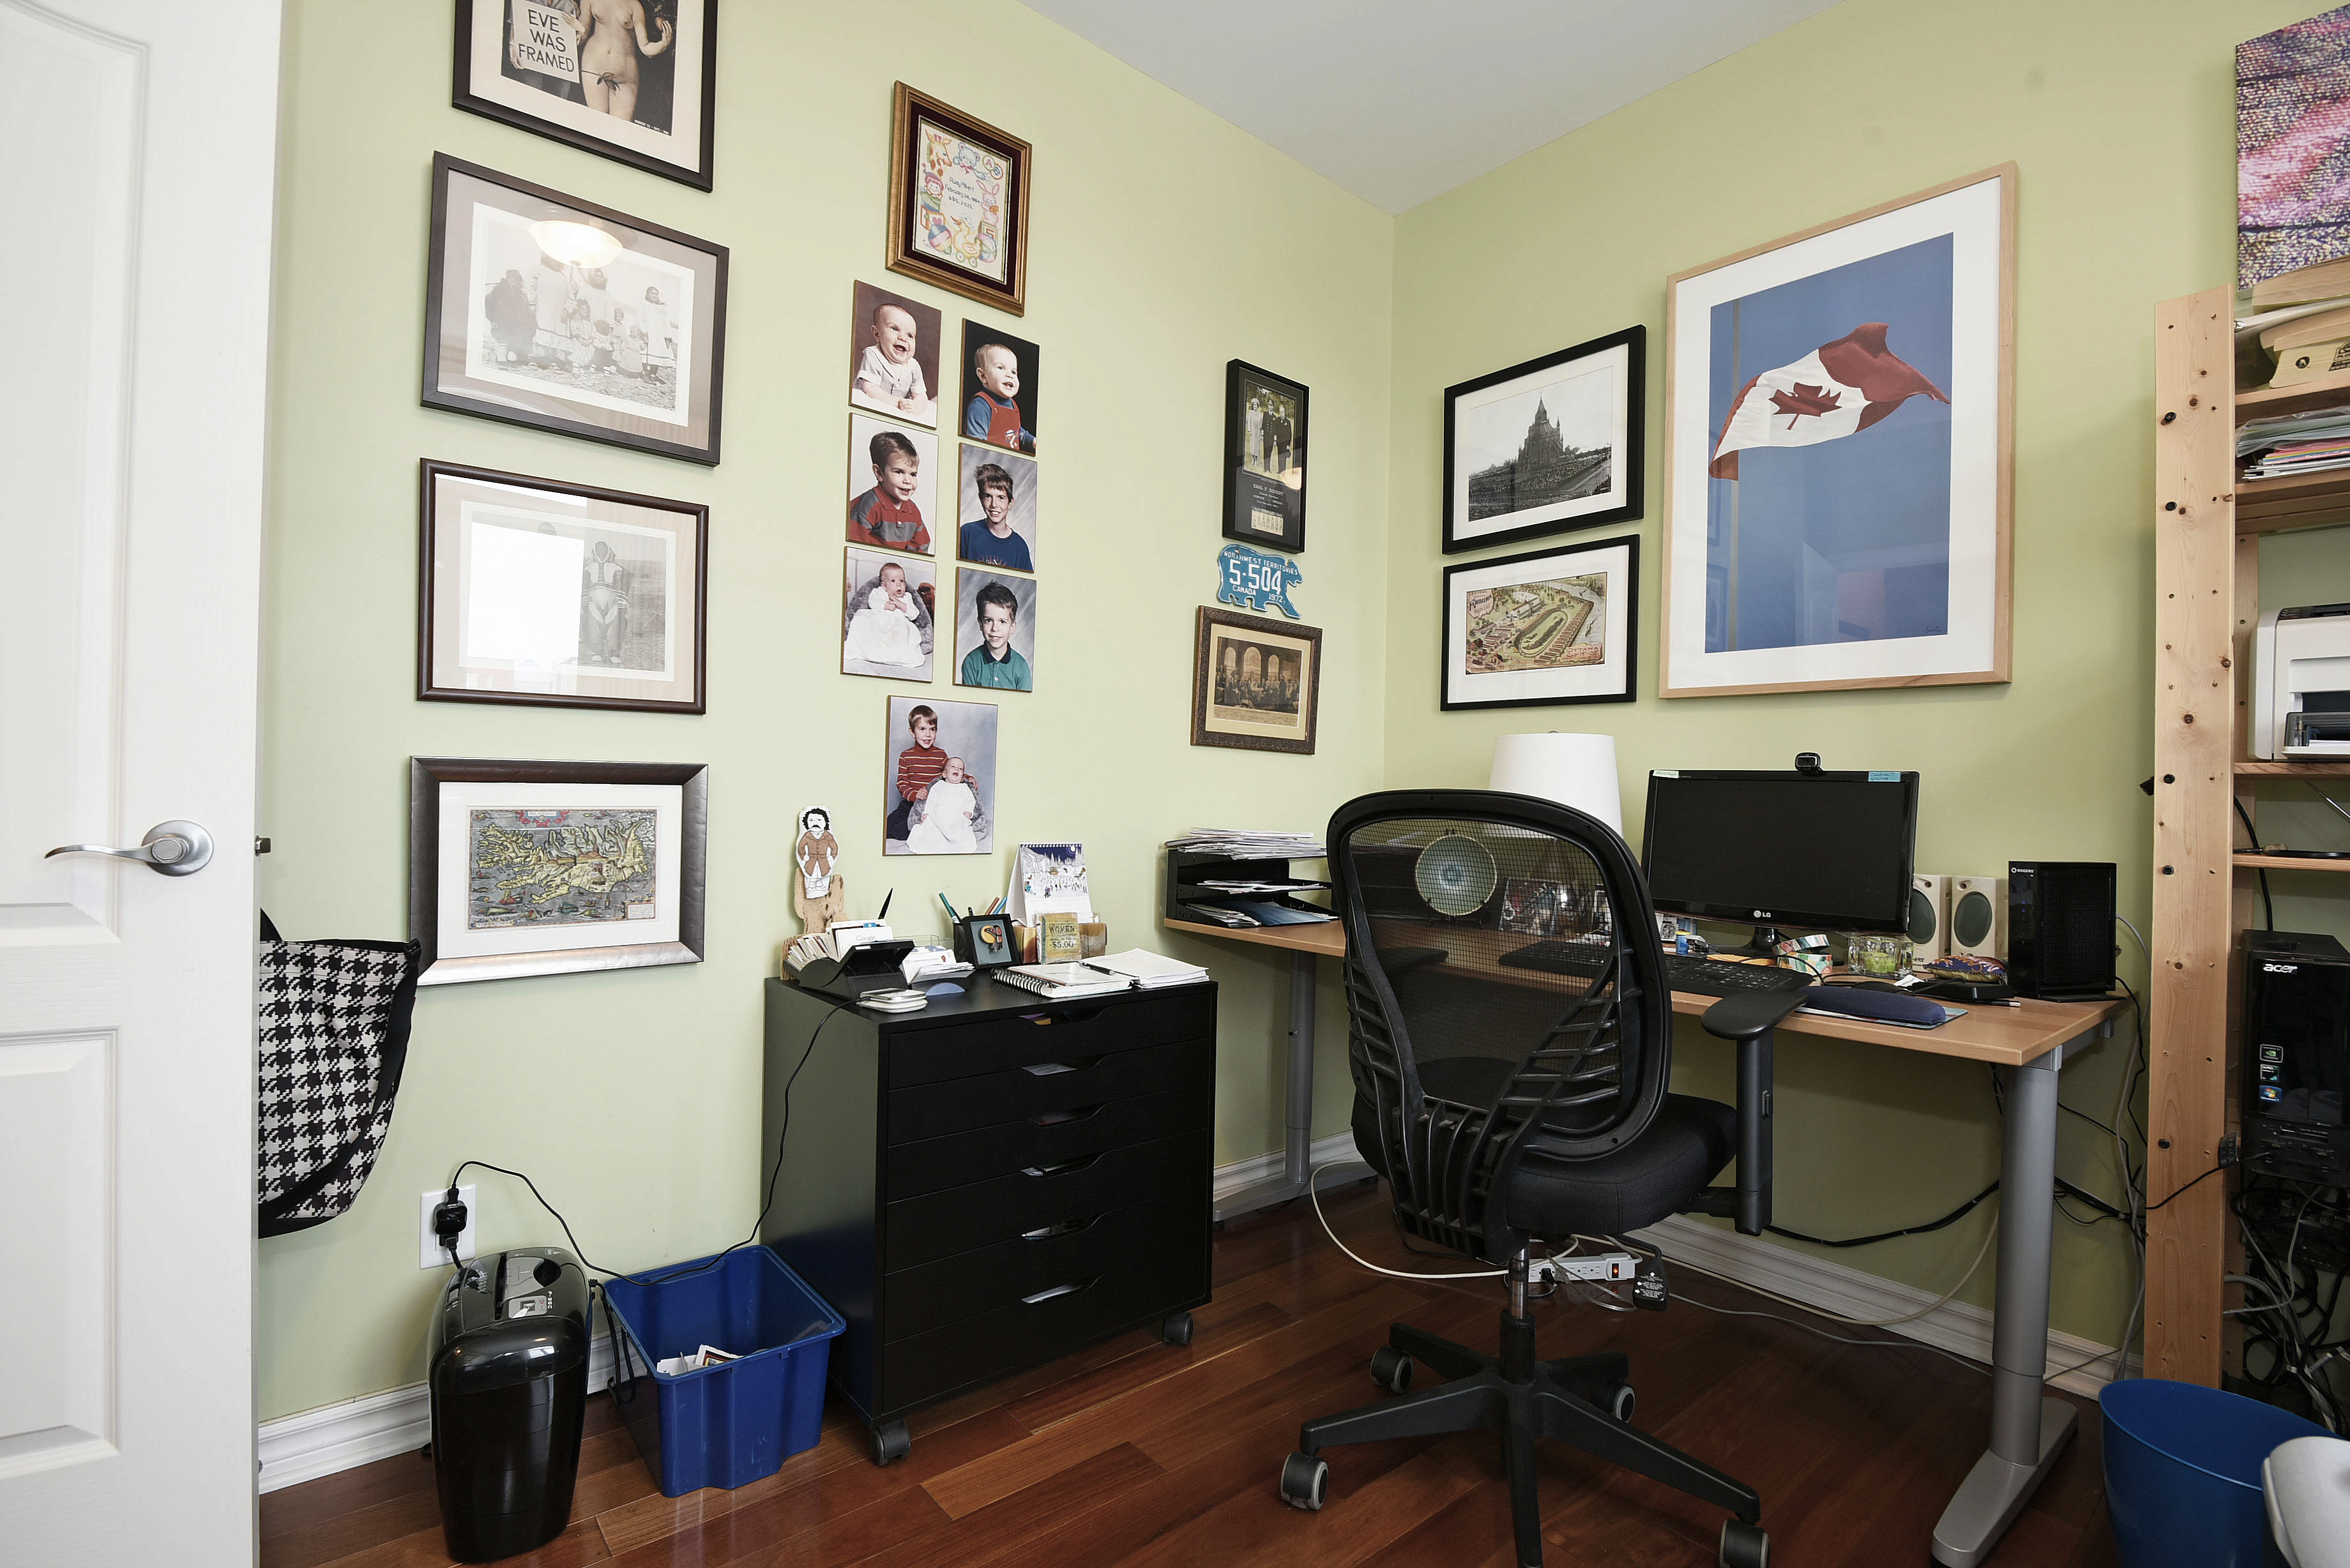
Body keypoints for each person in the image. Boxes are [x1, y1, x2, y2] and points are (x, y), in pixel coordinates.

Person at [554, 0, 673, 126]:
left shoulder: (635, 6)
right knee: (597, 124)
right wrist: (571, 36)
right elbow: (583, 35)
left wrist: (662, 45)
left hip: (626, 71)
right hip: (594, 64)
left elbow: (645, 47)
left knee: (621, 128)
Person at [847, 429, 930, 553]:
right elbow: (854, 543)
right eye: (899, 472)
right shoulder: (869, 505)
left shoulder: (912, 510)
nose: (908, 481)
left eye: (913, 474)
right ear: (879, 473)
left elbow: (921, 544)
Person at [853, 301, 932, 421]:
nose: (903, 338)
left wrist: (916, 406)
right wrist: (897, 403)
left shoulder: (913, 366)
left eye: (910, 336)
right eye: (895, 329)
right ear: (877, 334)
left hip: (900, 410)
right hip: (872, 403)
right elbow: (870, 389)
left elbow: (920, 395)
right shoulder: (874, 355)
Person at [844, 559, 927, 668]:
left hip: (897, 625)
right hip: (880, 622)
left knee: (905, 631)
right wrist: (885, 605)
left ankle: (893, 653)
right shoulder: (879, 592)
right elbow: (872, 602)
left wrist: (901, 605)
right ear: (884, 585)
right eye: (893, 581)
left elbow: (914, 614)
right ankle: (868, 648)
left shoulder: (907, 597)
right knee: (860, 618)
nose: (899, 584)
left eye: (902, 581)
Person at [957, 461, 1033, 571]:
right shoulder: (967, 533)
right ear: (981, 499)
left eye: (1001, 498)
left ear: (1010, 503)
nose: (994, 505)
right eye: (988, 497)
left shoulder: (1020, 547)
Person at [888, 705, 947, 843]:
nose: (928, 734)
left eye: (932, 729)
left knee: (899, 831)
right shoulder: (906, 756)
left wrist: (967, 778)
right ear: (912, 732)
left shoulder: (941, 755)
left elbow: (951, 772)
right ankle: (923, 827)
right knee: (887, 828)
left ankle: (927, 827)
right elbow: (902, 783)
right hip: (910, 804)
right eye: (922, 729)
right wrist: (915, 796)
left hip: (931, 807)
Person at [959, 580, 1031, 690]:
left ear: (1012, 627)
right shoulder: (971, 662)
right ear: (981, 624)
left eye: (1002, 622)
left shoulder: (1021, 666)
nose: (995, 629)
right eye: (988, 620)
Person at [964, 341, 1034, 453]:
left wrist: (1032, 441)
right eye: (1001, 368)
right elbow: (976, 443)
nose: (1009, 375)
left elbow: (1016, 431)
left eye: (1014, 372)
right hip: (990, 459)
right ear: (983, 376)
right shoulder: (981, 406)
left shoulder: (1012, 404)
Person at [906, 757, 980, 853]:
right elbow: (931, 801)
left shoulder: (964, 788)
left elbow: (971, 801)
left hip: (957, 816)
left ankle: (954, 842)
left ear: (962, 778)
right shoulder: (939, 785)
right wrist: (927, 813)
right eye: (953, 767)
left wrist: (969, 812)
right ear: (944, 774)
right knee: (930, 827)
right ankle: (935, 842)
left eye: (960, 769)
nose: (957, 769)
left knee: (961, 829)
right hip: (939, 815)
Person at [579, 540, 629, 666]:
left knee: (614, 628)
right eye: (599, 550)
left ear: (608, 551)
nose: (601, 552)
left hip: (612, 603)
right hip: (593, 603)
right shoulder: (587, 569)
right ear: (594, 552)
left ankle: (614, 653)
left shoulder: (617, 569)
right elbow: (584, 587)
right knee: (593, 627)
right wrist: (584, 604)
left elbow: (622, 588)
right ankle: (597, 651)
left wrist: (622, 605)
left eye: (604, 550)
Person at [529, 252, 575, 369]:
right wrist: (531, 304)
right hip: (542, 309)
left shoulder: (564, 278)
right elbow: (531, 287)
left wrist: (567, 310)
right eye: (552, 258)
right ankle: (536, 359)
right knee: (540, 332)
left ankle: (554, 361)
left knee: (557, 335)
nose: (554, 261)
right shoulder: (539, 271)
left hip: (558, 313)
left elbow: (571, 298)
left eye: (557, 260)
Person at [485, 268, 535, 365]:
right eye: (512, 282)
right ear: (507, 279)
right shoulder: (498, 291)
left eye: (516, 283)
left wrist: (525, 322)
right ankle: (501, 359)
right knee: (503, 341)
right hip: (501, 321)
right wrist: (493, 319)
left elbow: (525, 310)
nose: (514, 285)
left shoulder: (521, 295)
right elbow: (490, 305)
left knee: (514, 342)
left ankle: (512, 359)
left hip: (516, 324)